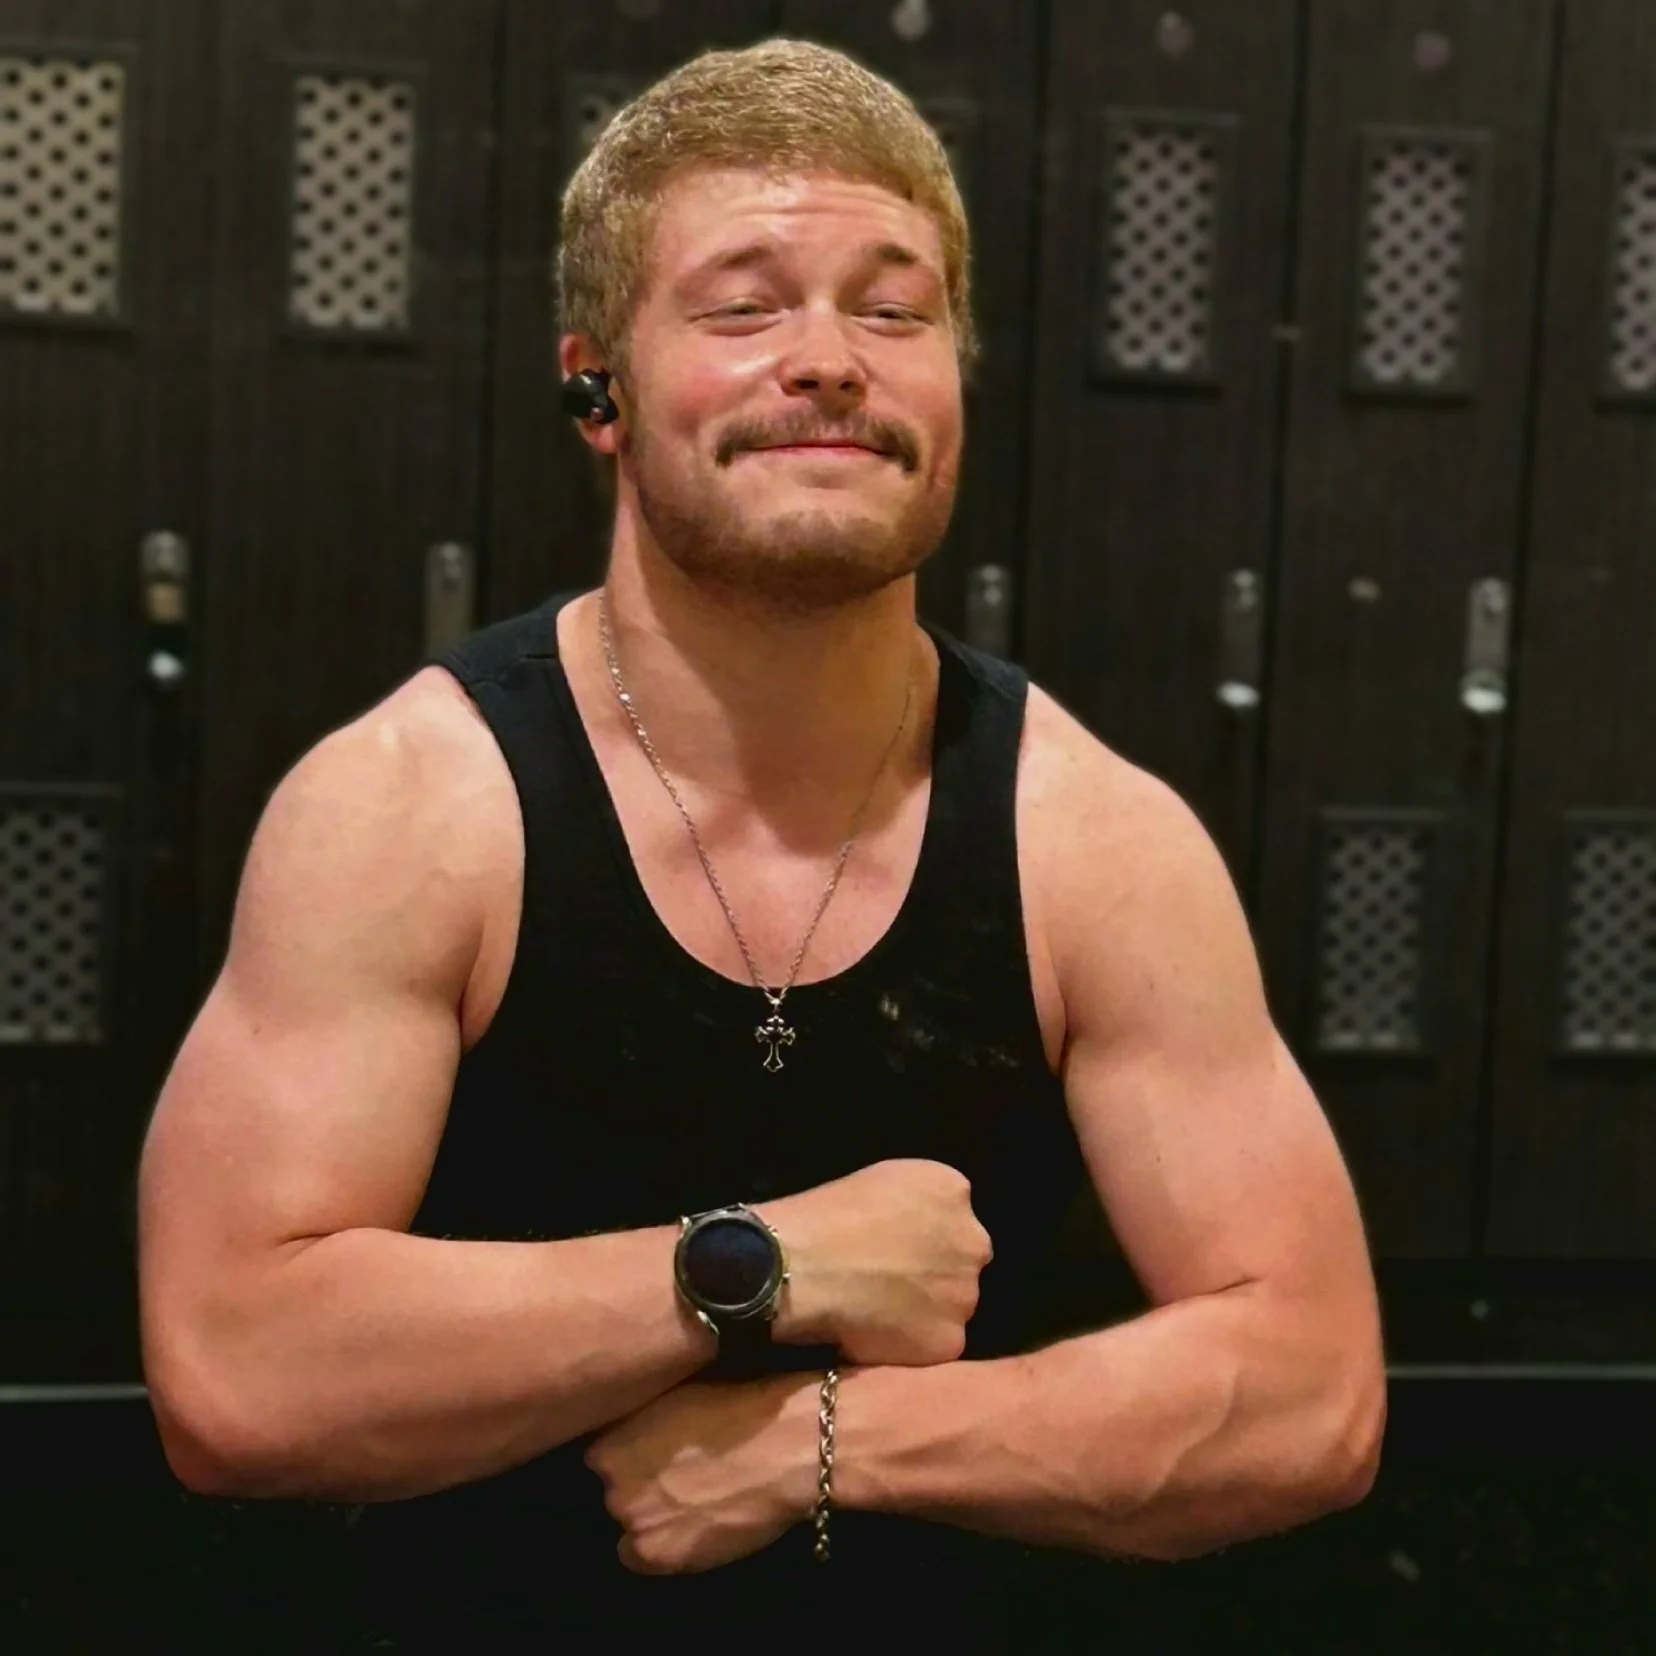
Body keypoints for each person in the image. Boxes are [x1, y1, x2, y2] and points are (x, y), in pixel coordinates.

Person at [136, 38, 1384, 1650]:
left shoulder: (1097, 838)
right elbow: (234, 1374)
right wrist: (758, 1266)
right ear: (599, 387)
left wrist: (820, 1444)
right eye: (742, 307)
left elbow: (1313, 1394)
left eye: (893, 308)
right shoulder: (409, 809)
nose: (831, 362)